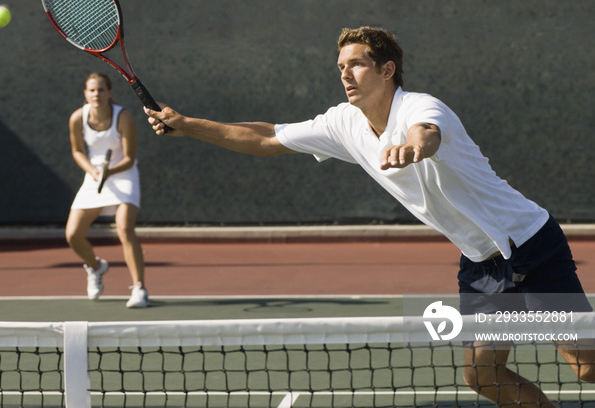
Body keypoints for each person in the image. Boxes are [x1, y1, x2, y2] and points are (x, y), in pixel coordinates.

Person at [144, 26, 595, 406]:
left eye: (355, 64)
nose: (345, 74)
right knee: (483, 377)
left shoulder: (420, 106)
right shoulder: (343, 123)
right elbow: (265, 137)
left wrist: (414, 147)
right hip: (481, 262)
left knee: (585, 366)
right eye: (341, 66)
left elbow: (428, 134)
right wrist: (188, 125)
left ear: (386, 70)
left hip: (530, 244)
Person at [66, 72, 149, 308]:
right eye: (92, 90)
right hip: (94, 174)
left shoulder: (123, 118)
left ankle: (140, 289)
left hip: (123, 174)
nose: (96, 94)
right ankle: (96, 267)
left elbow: (130, 158)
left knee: (124, 228)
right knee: (72, 235)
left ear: (110, 92)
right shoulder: (76, 118)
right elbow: (77, 151)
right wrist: (93, 171)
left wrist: (109, 172)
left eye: (101, 90)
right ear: (85, 93)